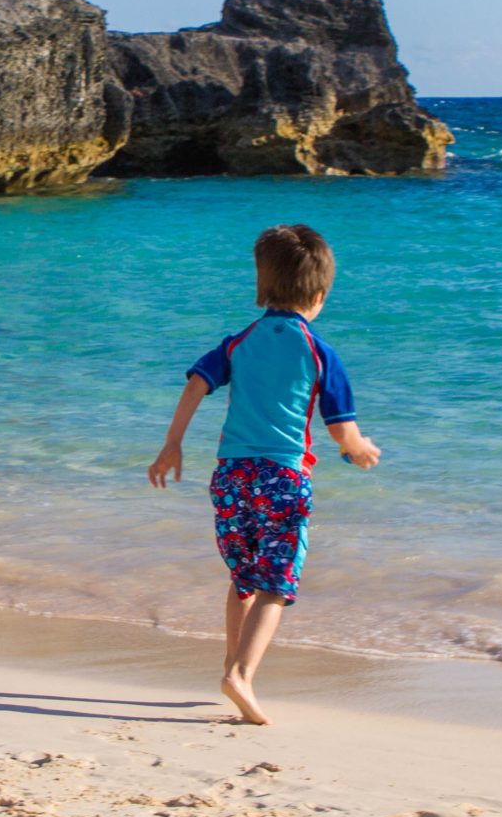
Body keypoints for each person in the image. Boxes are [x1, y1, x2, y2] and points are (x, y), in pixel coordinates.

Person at [147, 223, 381, 725]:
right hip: (282, 477)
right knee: (277, 584)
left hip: (231, 476)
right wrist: (360, 451)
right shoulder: (319, 351)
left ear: (263, 285)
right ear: (318, 296)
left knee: (244, 578)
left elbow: (195, 384)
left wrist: (172, 444)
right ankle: (242, 676)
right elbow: (342, 430)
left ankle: (231, 665)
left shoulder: (240, 342)